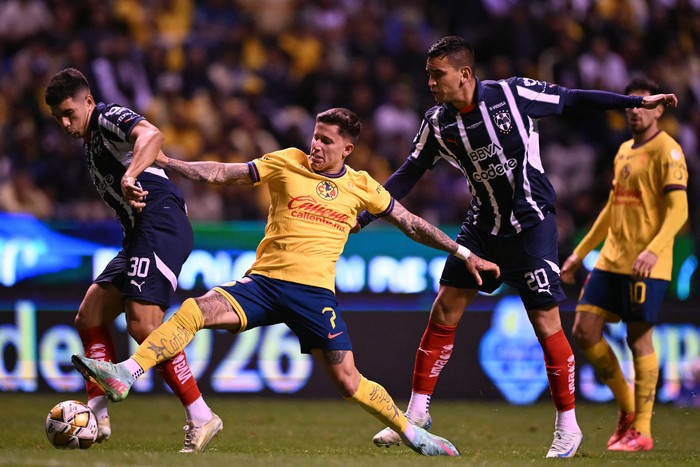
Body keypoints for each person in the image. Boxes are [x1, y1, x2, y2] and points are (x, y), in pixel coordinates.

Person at [71, 107, 500, 456]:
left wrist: (463, 253)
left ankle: (414, 433)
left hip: (313, 297)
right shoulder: (286, 162)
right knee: (193, 310)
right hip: (262, 285)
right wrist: (168, 162)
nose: (315, 145)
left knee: (349, 382)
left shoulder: (362, 187)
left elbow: (411, 224)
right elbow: (223, 173)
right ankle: (125, 373)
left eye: (326, 141)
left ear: (347, 149)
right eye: (315, 136)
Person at [354, 36, 678, 458]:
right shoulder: (437, 122)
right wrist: (366, 213)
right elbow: (409, 171)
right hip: (482, 228)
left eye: (438, 75)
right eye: (428, 75)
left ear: (464, 74)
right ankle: (416, 415)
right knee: (444, 308)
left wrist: (629, 102)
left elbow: (574, 98)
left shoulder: (513, 93)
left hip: (531, 225)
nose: (431, 83)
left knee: (546, 325)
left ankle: (568, 426)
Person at [44, 68, 221, 453]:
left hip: (161, 222)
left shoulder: (107, 117)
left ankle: (201, 415)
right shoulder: (91, 142)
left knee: (144, 324)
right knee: (89, 316)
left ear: (88, 101)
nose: (64, 122)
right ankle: (95, 414)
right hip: (138, 234)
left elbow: (152, 133)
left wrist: (132, 175)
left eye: (70, 112)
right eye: (58, 116)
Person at [560, 77, 688, 451]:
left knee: (638, 338)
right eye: (630, 104)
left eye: (644, 104)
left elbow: (680, 210)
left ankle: (643, 431)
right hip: (612, 258)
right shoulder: (623, 152)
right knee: (584, 330)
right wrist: (579, 253)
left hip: (646, 262)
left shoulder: (669, 151)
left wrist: (654, 249)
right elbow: (611, 210)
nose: (635, 110)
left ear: (659, 109)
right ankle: (629, 409)